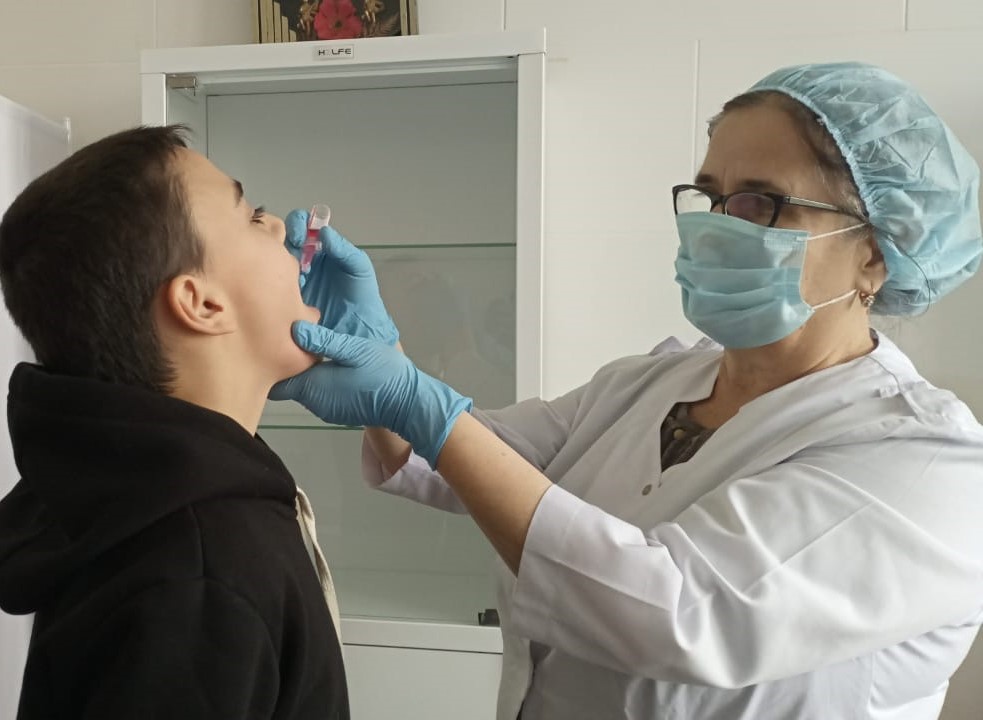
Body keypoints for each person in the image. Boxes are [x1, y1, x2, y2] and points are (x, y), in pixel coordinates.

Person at [272, 62, 983, 719]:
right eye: (708, 196)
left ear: (875, 253)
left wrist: (412, 400)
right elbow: (473, 461)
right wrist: (384, 357)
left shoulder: (924, 461)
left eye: (759, 203)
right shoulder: (651, 382)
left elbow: (673, 613)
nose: (714, 228)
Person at [0, 126, 349, 718]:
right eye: (251, 215)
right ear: (201, 303)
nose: (278, 227)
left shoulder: (168, 502)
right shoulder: (199, 583)